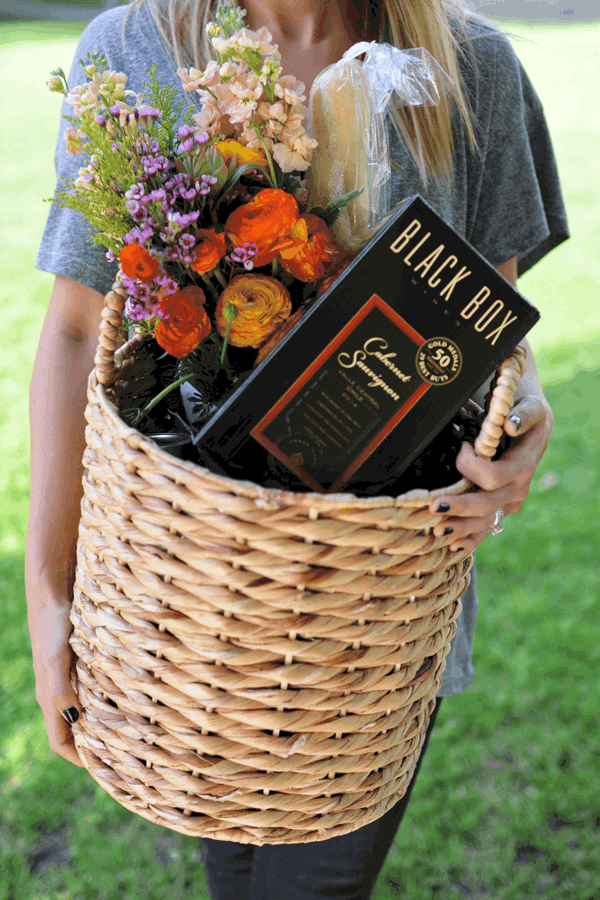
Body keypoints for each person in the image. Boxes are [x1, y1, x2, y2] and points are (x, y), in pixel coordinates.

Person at [27, 0, 568, 896]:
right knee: (231, 877)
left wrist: (523, 422)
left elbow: (491, 330)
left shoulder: (472, 68)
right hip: (190, 618)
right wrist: (51, 601)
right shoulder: (133, 51)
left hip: (369, 632)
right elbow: (80, 330)